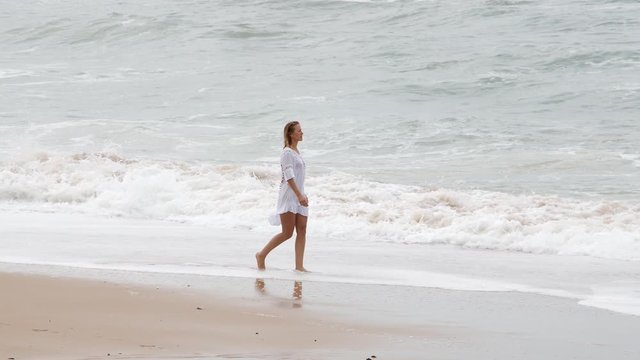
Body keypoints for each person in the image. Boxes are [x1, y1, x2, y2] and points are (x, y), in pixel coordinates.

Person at [256, 121, 309, 272]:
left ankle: (299, 267)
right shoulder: (287, 153)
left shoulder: (296, 152)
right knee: (287, 233)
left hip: (300, 195)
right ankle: (261, 255)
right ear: (291, 134)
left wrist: (303, 194)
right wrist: (298, 195)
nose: (302, 133)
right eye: (299, 131)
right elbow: (289, 176)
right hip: (289, 196)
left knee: (302, 230)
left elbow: (299, 177)